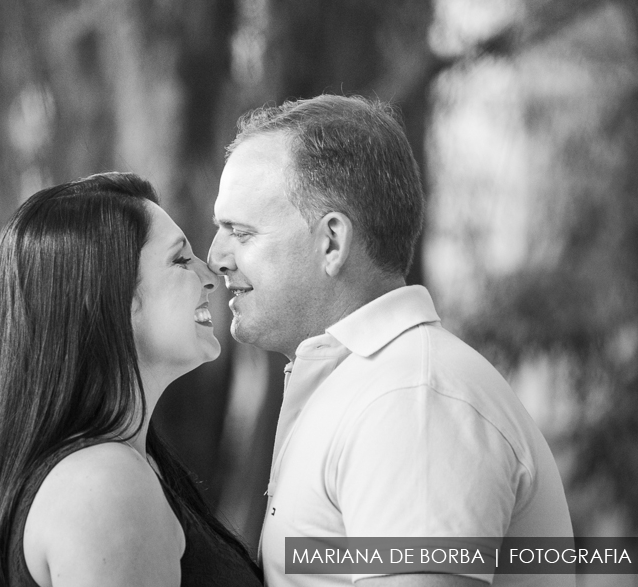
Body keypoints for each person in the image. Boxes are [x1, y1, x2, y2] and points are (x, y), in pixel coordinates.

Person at [206, 95, 574, 587]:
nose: (215, 257)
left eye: (241, 233)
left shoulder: (409, 399)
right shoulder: (371, 386)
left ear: (332, 242)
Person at [0, 172, 262, 587]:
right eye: (179, 259)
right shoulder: (105, 485)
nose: (211, 275)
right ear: (110, 298)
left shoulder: (118, 468)